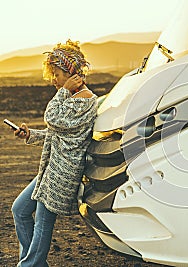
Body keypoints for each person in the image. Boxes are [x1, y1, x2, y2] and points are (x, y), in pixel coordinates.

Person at [10, 39, 98, 267]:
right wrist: (30, 135)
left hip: (62, 175)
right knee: (19, 210)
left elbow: (52, 117)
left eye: (57, 74)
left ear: (71, 73)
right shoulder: (72, 97)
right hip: (51, 171)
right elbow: (56, 131)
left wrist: (64, 91)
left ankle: (28, 266)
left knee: (42, 224)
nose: (53, 81)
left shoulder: (85, 101)